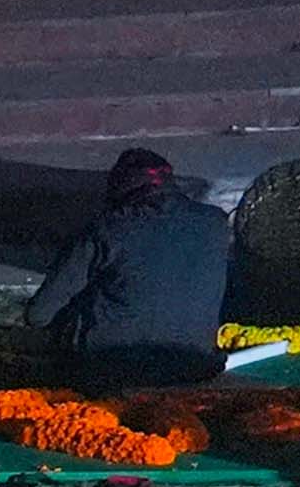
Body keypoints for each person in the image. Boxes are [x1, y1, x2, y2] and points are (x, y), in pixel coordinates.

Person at [28, 151, 234, 388]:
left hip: (114, 368)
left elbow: (38, 315)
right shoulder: (215, 222)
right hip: (195, 365)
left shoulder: (109, 229)